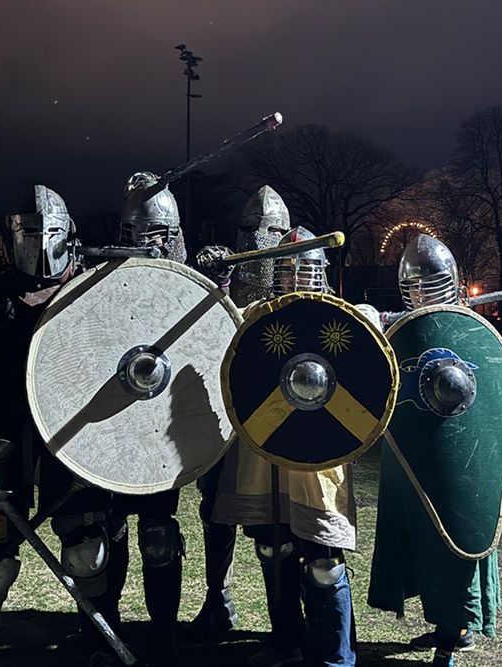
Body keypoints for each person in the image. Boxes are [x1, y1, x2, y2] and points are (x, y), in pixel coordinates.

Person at [0, 184, 117, 666]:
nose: (38, 241)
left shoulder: (88, 290)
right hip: (3, 431)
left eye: (48, 231)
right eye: (27, 231)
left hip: (71, 433)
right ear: (11, 237)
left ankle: (96, 646)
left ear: (68, 234)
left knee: (86, 546)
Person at [212, 226, 357, 667]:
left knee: (323, 560)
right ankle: (286, 641)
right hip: (264, 452)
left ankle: (335, 656)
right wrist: (217, 285)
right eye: (288, 269)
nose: (296, 277)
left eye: (306, 268)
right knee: (273, 548)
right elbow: (216, 333)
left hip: (318, 460)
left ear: (320, 271)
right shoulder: (256, 314)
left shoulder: (342, 316)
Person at [367, 234, 500, 667]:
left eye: (431, 282)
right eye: (414, 285)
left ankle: (456, 629)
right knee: (420, 537)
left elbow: (488, 394)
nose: (422, 291)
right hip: (408, 448)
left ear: (453, 281)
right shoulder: (400, 331)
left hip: (457, 451)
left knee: (455, 534)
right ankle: (444, 623)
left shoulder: (468, 332)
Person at [185, 185, 290, 642]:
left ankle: (285, 623)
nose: (257, 239)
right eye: (249, 229)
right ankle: (218, 600)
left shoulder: (295, 275)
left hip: (273, 417)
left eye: (267, 230)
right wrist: (215, 279)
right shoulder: (223, 277)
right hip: (221, 411)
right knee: (214, 511)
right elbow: (201, 323)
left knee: (275, 524)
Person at [96, 172, 189, 663]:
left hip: (158, 427)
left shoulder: (186, 284)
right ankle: (107, 631)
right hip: (111, 422)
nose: (150, 243)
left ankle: (164, 635)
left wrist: (219, 282)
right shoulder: (102, 282)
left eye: (160, 234)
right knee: (108, 532)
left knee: (158, 533)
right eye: (141, 233)